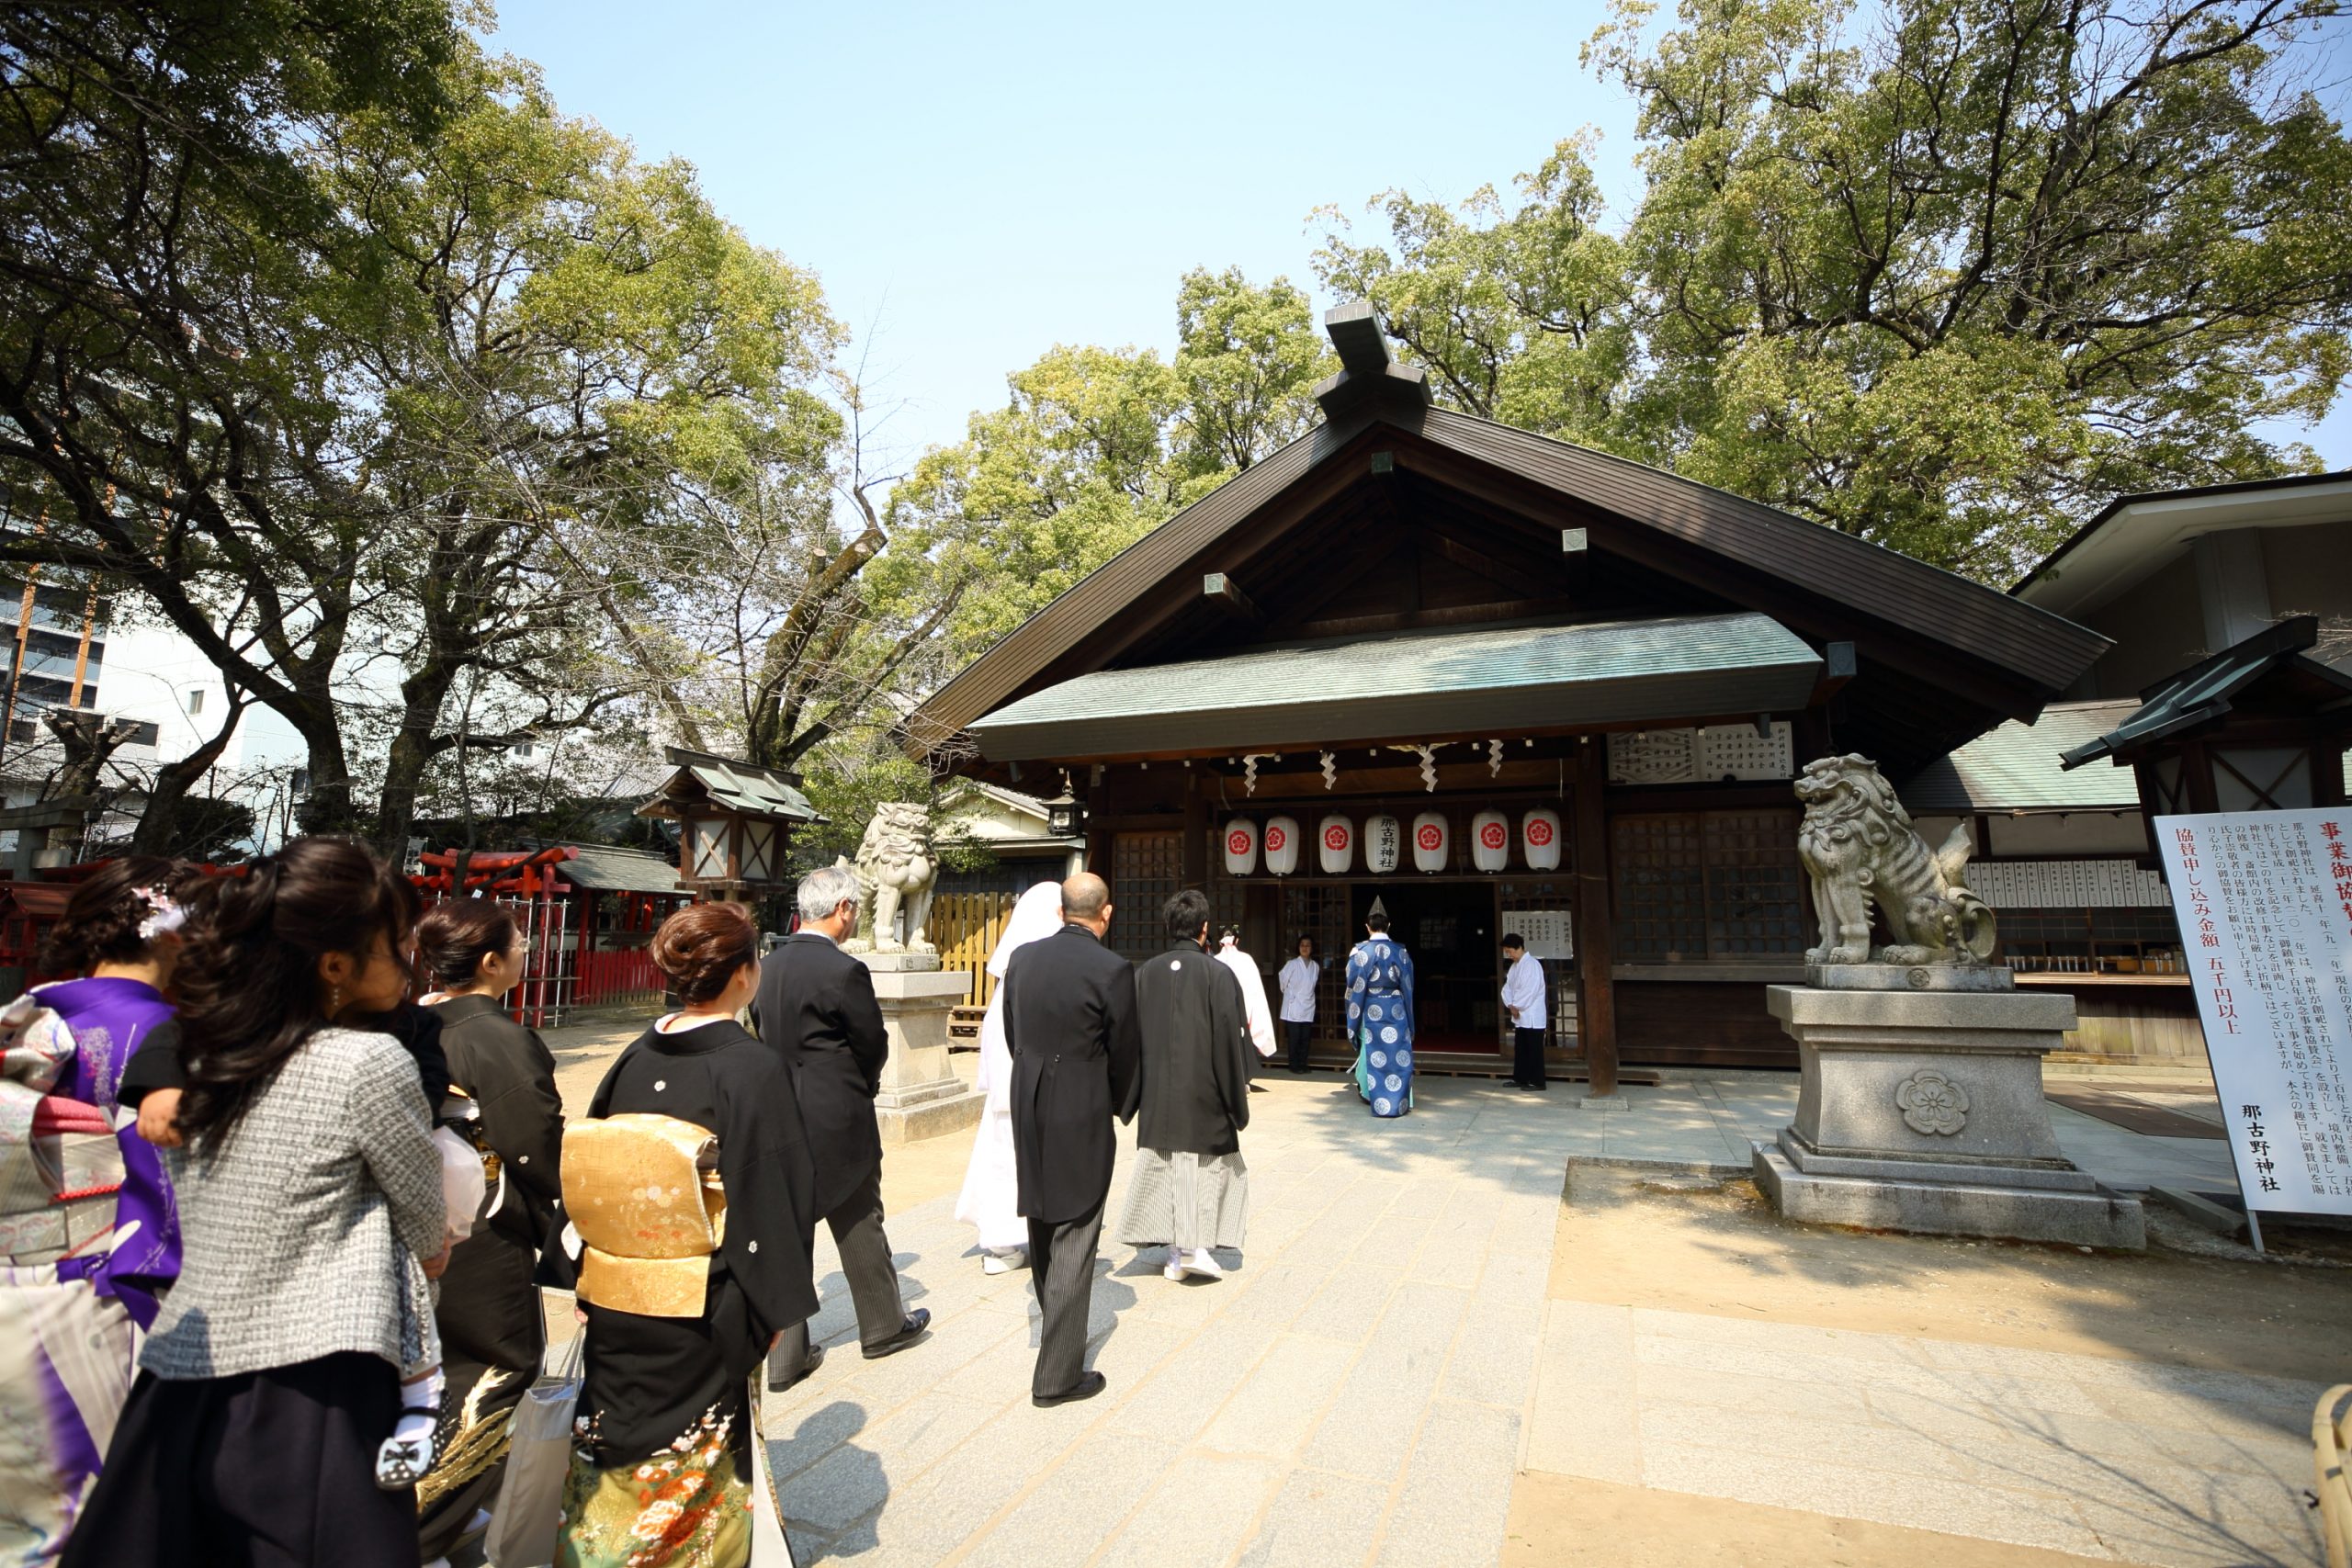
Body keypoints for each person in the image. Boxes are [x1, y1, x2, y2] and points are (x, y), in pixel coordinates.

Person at [60, 838, 448, 1568]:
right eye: (394, 945)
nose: (407, 960)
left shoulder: (211, 1054)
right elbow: (425, 1215)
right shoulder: (367, 1061)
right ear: (335, 965)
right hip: (315, 1375)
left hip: (185, 1361)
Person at [548, 901, 812, 1567]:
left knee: (613, 1449)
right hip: (703, 1304)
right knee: (694, 1465)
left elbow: (589, 1175)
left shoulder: (635, 1056)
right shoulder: (751, 1067)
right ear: (745, 974)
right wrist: (774, 1306)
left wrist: (584, 1271)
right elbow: (774, 1193)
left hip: (616, 1295)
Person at [1, 858, 192, 1561]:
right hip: (96, 1294)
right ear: (175, 934)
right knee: (95, 1523)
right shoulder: (169, 1033)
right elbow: (165, 1188)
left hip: (10, 1278)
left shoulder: (29, 1010)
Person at [413, 899, 565, 1565]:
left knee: (434, 1366)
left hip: (420, 1212)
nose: (529, 948)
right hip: (480, 1222)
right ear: (489, 962)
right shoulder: (495, 1036)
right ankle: (422, 1517)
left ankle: (443, 1505)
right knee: (500, 1364)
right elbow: (533, 1143)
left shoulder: (412, 1021)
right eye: (520, 942)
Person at [758, 864, 929, 1388]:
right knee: (857, 1215)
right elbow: (870, 1042)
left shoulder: (769, 965)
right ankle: (882, 1326)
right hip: (837, 1111)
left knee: (786, 1229)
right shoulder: (844, 971)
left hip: (780, 1108)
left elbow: (762, 1029)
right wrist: (865, 1084)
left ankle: (785, 1357)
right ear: (843, 910)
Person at [999, 872, 1139, 1407]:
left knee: (1040, 1211)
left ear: (1061, 912)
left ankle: (1053, 1319)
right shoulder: (1112, 968)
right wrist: (1119, 1102)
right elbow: (1126, 1047)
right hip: (1080, 1097)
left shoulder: (1023, 960)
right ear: (1106, 914)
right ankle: (1057, 1375)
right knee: (1078, 1226)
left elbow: (1013, 1032)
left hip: (1029, 1093)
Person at [1119, 891, 1251, 1281]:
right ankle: (1191, 1249)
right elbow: (1230, 1038)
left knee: (1172, 1163)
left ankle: (1177, 1252)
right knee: (1198, 1165)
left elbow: (1130, 1039)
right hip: (1204, 1087)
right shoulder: (1217, 974)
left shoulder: (1145, 972)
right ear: (1205, 929)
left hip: (1159, 1088)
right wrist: (1235, 1097)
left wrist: (1131, 1097)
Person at [955, 881, 1063, 1276]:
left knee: (1011, 1159)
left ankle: (1014, 1235)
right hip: (1020, 1090)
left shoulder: (1012, 979)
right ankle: (1002, 1240)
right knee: (1008, 1160)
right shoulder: (1029, 975)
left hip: (1017, 1087)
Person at [1345, 909, 1417, 1119]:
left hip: (1370, 1007)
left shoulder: (1360, 952)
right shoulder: (1401, 952)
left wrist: (1353, 1013)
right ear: (1389, 926)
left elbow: (1353, 985)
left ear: (1367, 927)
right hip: (1396, 1006)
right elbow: (1408, 985)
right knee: (1399, 1053)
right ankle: (1403, 1101)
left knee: (1371, 1052)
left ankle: (1370, 1094)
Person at [1214, 925, 1275, 1093]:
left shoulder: (1215, 960)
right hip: (1244, 1008)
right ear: (1237, 940)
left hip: (1221, 1011)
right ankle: (1243, 1078)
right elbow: (1254, 987)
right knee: (1242, 1043)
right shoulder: (1246, 959)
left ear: (1219, 942)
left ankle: (1225, 1080)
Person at [1500, 932, 1548, 1091]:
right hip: (1520, 1015)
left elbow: (1530, 991)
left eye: (1511, 951)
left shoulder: (1532, 965)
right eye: (1507, 953)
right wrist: (1510, 1004)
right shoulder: (1515, 967)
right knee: (1521, 1048)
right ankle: (1520, 1078)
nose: (1510, 955)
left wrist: (1517, 1006)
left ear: (1519, 948)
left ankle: (1538, 1081)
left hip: (1532, 1014)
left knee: (1534, 1049)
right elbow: (1507, 988)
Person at [1277, 935, 1320, 1073]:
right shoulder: (1292, 964)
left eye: (1308, 945)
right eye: (1302, 944)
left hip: (1308, 1005)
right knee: (1294, 1038)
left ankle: (1303, 1063)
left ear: (1312, 948)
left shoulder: (1315, 966)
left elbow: (1312, 984)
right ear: (1298, 947)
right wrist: (1290, 994)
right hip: (1294, 1004)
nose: (1305, 948)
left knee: (1305, 1038)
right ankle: (1294, 1065)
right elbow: (1282, 980)